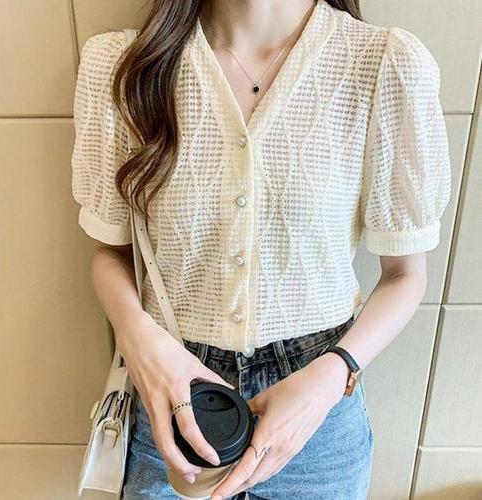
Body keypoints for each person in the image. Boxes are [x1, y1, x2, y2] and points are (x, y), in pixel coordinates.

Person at [71, 0, 452, 498]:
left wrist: (330, 378)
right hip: (171, 399)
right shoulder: (127, 65)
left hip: (318, 410)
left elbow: (405, 275)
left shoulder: (382, 65)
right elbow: (111, 253)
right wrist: (139, 341)